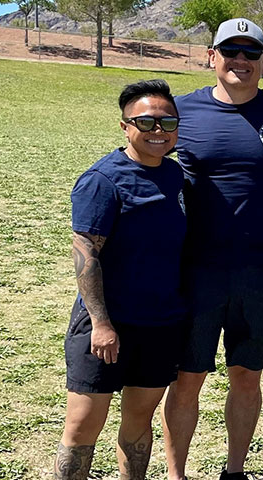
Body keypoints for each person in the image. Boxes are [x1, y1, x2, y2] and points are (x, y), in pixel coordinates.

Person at [161, 18, 263, 480]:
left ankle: (235, 471)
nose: (240, 61)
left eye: (250, 53)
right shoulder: (181, 113)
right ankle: (176, 474)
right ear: (212, 56)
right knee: (188, 378)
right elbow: (142, 168)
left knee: (247, 374)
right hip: (195, 270)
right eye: (230, 51)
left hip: (261, 270)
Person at [54, 80, 187, 480]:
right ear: (125, 126)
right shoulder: (102, 180)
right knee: (82, 426)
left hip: (161, 323)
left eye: (167, 122)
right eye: (145, 122)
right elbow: (86, 255)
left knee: (138, 423)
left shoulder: (176, 176)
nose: (157, 131)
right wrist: (101, 323)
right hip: (106, 326)